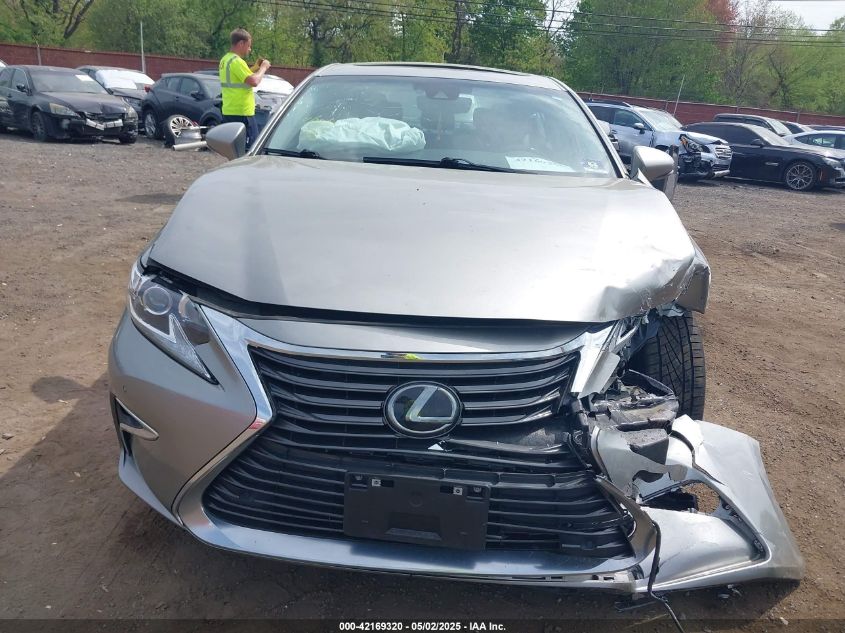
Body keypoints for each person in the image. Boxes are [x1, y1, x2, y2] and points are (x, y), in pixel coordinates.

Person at [218, 28, 271, 149]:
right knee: (250, 149)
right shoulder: (237, 61)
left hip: (229, 110)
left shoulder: (225, 59)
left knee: (234, 149)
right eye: (248, 45)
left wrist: (255, 68)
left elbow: (241, 79)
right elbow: (254, 81)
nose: (249, 49)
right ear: (241, 43)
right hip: (242, 113)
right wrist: (263, 68)